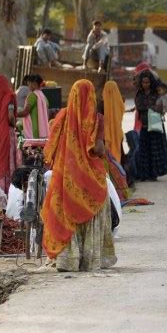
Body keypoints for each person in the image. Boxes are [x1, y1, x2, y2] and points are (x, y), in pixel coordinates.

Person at [41, 79, 117, 272]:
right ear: (91, 95)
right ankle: (90, 260)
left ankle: (68, 260)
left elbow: (51, 149)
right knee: (89, 212)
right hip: (90, 178)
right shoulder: (96, 118)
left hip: (66, 177)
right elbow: (98, 148)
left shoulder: (63, 116)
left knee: (67, 214)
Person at [133, 69, 167, 181]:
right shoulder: (139, 94)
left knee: (155, 151)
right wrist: (152, 107)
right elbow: (139, 106)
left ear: (151, 82)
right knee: (144, 151)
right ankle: (144, 174)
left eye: (148, 82)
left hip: (155, 125)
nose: (146, 84)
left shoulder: (158, 92)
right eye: (144, 82)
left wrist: (163, 108)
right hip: (145, 126)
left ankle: (154, 174)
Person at [0, 75, 17, 193]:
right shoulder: (10, 97)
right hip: (7, 132)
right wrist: (14, 124)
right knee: (7, 160)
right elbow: (10, 116)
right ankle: (7, 189)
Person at [17, 74, 49, 139]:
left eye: (29, 84)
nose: (28, 86)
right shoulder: (44, 97)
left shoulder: (32, 96)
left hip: (32, 130)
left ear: (34, 84)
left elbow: (25, 112)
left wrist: (14, 114)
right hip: (42, 131)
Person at [102, 81, 125, 163]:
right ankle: (118, 171)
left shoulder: (104, 104)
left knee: (108, 156)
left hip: (107, 134)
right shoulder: (120, 102)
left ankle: (112, 172)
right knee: (118, 151)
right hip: (118, 132)